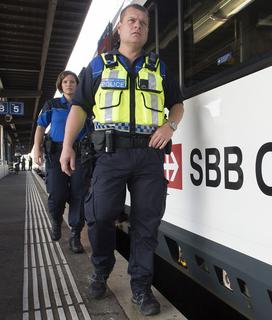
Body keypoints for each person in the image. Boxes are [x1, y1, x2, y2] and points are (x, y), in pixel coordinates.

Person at [60, 4, 184, 316]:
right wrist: (67, 146)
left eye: (143, 22)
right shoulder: (99, 66)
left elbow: (177, 104)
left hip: (149, 156)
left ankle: (141, 288)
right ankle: (101, 269)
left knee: (146, 224)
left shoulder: (159, 68)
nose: (138, 26)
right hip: (109, 154)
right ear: (119, 27)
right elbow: (79, 107)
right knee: (100, 216)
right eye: (132, 20)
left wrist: (170, 125)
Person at [33, 70, 92, 254]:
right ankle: (56, 220)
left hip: (81, 153)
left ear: (77, 84)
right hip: (55, 154)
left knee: (79, 195)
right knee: (57, 194)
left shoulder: (85, 105)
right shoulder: (52, 104)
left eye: (73, 81)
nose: (69, 84)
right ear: (61, 85)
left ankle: (75, 235)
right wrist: (37, 147)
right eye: (65, 81)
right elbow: (41, 126)